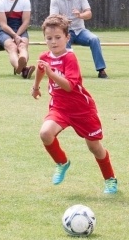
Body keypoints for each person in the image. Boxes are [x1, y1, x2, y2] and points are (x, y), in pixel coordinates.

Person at [31, 14, 118, 194]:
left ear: (67, 38)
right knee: (45, 133)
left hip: (81, 110)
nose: (53, 42)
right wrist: (36, 87)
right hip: (60, 108)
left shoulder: (70, 58)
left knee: (94, 147)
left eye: (57, 38)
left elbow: (70, 86)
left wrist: (51, 73)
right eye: (49, 38)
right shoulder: (45, 57)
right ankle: (62, 162)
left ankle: (110, 179)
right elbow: (41, 68)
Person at [48, 0, 108, 78]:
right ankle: (66, 71)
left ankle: (101, 70)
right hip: (65, 31)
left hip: (80, 31)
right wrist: (64, 21)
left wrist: (80, 15)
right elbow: (53, 18)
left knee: (94, 39)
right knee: (64, 43)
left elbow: (89, 14)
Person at [0, 0, 35, 79]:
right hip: (5, 31)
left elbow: (26, 22)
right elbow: (3, 24)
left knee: (22, 46)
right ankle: (23, 70)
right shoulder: (0, 1)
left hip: (21, 28)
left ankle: (22, 69)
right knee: (12, 47)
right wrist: (14, 35)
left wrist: (17, 35)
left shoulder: (25, 0)